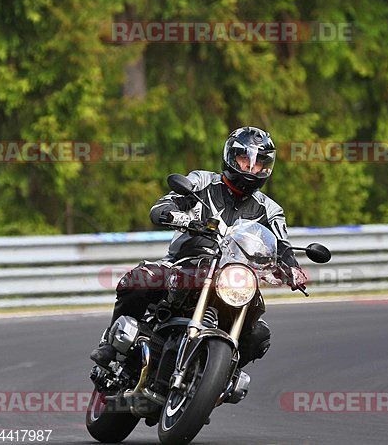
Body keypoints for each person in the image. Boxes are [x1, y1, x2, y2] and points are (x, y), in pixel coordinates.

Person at [90, 126, 308, 368]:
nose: (250, 167)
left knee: (258, 335)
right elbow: (162, 206)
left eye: (257, 163)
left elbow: (283, 245)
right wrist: (180, 218)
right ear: (230, 157)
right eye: (244, 158)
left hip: (235, 278)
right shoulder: (202, 181)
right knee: (141, 280)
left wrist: (293, 269)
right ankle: (110, 344)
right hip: (184, 263)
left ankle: (220, 376)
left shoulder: (270, 209)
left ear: (266, 167)